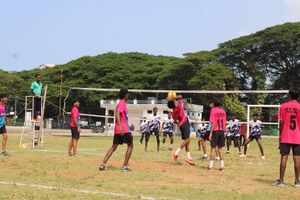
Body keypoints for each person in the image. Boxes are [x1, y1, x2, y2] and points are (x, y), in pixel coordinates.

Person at [99, 89, 133, 171]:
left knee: (114, 147)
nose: (128, 95)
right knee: (130, 145)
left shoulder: (121, 103)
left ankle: (103, 164)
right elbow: (117, 113)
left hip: (118, 129)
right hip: (123, 129)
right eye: (127, 94)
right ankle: (125, 166)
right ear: (125, 95)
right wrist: (121, 127)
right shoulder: (121, 103)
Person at [272, 89, 300, 187]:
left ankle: (281, 181)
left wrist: (280, 136)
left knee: (284, 157)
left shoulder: (283, 106)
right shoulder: (299, 107)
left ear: (289, 95)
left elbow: (281, 122)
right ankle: (297, 181)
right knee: (297, 158)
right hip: (297, 136)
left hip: (285, 135)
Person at [168, 95, 194, 165]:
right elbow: (180, 97)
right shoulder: (179, 106)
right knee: (187, 140)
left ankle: (189, 157)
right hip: (185, 123)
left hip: (181, 125)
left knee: (187, 141)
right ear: (174, 104)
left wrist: (179, 124)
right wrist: (175, 97)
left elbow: (175, 121)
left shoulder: (173, 114)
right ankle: (176, 153)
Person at [208, 99, 227, 171]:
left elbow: (213, 123)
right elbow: (224, 122)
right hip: (222, 131)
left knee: (213, 148)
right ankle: (222, 167)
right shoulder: (223, 111)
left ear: (214, 104)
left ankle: (211, 166)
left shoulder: (213, 110)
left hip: (215, 131)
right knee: (220, 149)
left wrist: (210, 133)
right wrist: (225, 132)